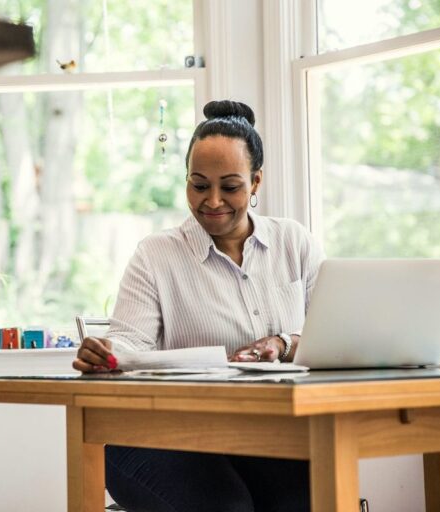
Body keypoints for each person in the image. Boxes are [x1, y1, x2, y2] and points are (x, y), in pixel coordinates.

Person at [72, 100, 322, 512]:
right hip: (156, 434)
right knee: (227, 508)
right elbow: (128, 345)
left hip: (261, 434)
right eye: (199, 184)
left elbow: (329, 335)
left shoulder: (294, 242)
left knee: (309, 497)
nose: (213, 200)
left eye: (231, 185)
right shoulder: (156, 254)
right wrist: (106, 353)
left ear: (256, 181)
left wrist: (284, 342)